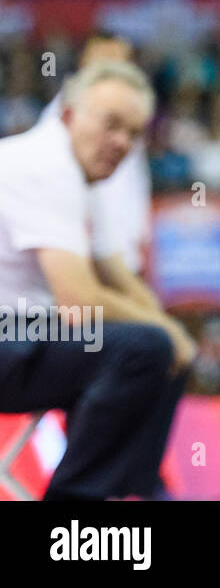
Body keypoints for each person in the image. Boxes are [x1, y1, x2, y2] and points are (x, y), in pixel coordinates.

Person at [0, 61, 195, 499]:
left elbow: (114, 272)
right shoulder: (44, 167)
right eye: (111, 125)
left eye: (133, 132)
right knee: (144, 348)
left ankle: (139, 490)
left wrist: (172, 335)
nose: (122, 143)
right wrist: (165, 332)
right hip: (9, 333)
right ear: (69, 114)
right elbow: (79, 302)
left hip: (18, 331)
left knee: (163, 352)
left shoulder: (78, 172)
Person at [39, 32, 153, 281]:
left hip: (123, 256)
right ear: (84, 62)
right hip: (82, 259)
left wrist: (137, 239)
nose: (113, 68)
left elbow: (134, 188)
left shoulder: (130, 123)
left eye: (120, 59)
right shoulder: (59, 118)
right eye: (105, 58)